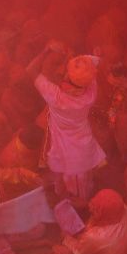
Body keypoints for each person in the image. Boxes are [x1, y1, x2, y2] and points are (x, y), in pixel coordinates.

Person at [30, 45, 105, 201]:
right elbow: (92, 66)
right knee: (81, 181)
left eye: (66, 73)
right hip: (82, 146)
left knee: (75, 188)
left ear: (68, 80)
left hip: (68, 150)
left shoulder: (56, 97)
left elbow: (31, 71)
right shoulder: (90, 90)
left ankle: (77, 206)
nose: (63, 74)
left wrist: (46, 50)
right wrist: (92, 56)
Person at [63, 189, 127, 254]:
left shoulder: (95, 236)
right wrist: (87, 204)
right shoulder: (124, 210)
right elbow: (106, 207)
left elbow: (79, 251)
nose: (90, 209)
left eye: (96, 210)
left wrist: (66, 237)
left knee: (62, 252)